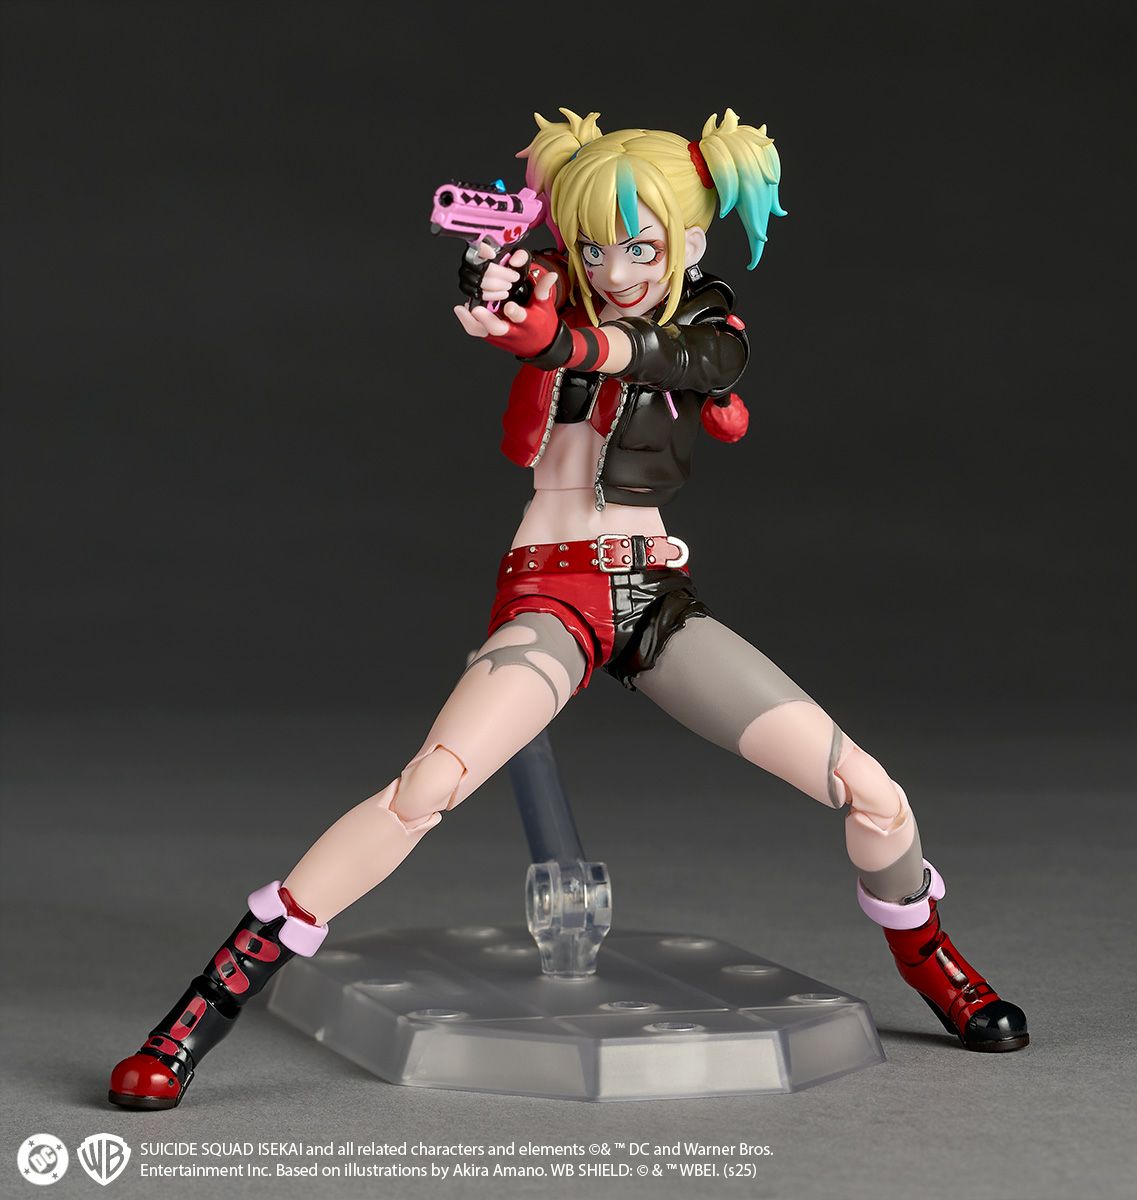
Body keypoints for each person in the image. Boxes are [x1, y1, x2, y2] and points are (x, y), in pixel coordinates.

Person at [108, 108, 1027, 1111]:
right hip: (551, 594)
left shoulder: (708, 326)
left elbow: (672, 359)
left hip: (652, 597)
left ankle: (929, 956)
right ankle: (209, 1002)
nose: (614, 266)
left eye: (639, 247)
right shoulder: (552, 287)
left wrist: (560, 337)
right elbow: (532, 322)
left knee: (874, 793)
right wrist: (500, 296)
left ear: (689, 244)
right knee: (425, 788)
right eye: (593, 246)